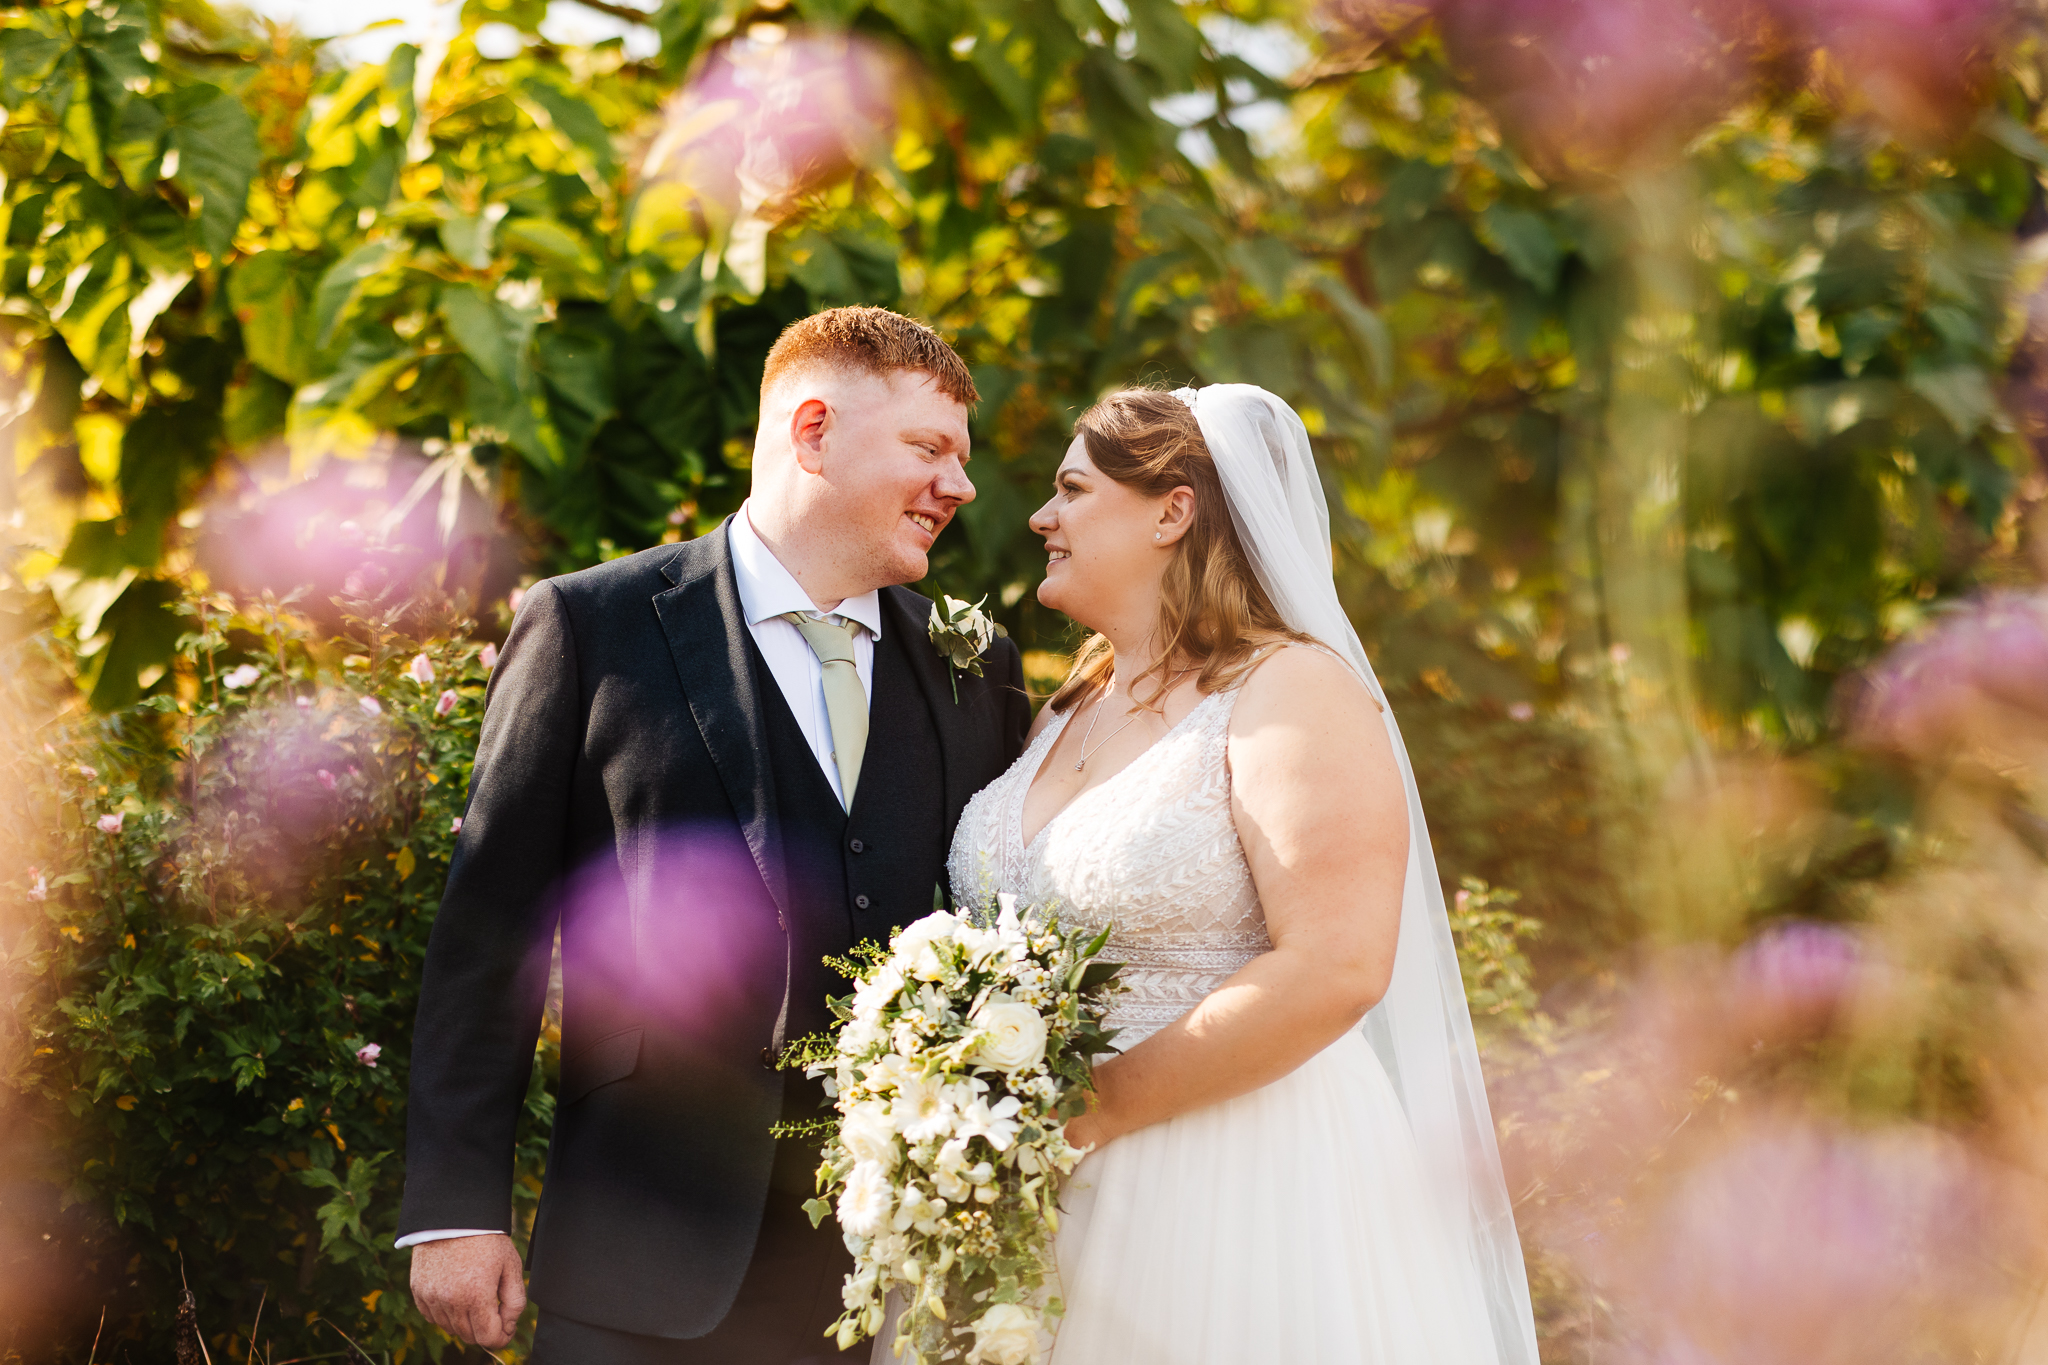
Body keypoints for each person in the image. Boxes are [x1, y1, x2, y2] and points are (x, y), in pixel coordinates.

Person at [397, 306, 1032, 1364]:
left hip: (890, 1276)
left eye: (961, 459)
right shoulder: (590, 627)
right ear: (813, 432)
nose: (959, 487)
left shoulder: (977, 665)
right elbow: (489, 934)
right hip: (640, 1254)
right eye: (928, 449)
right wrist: (457, 1209)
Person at [938, 386, 1542, 1363]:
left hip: (1224, 1182)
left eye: (1071, 490)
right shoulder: (1061, 709)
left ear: (1171, 511)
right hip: (1026, 1187)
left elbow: (1336, 966)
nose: (1041, 518)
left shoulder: (1291, 690)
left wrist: (1096, 1107)